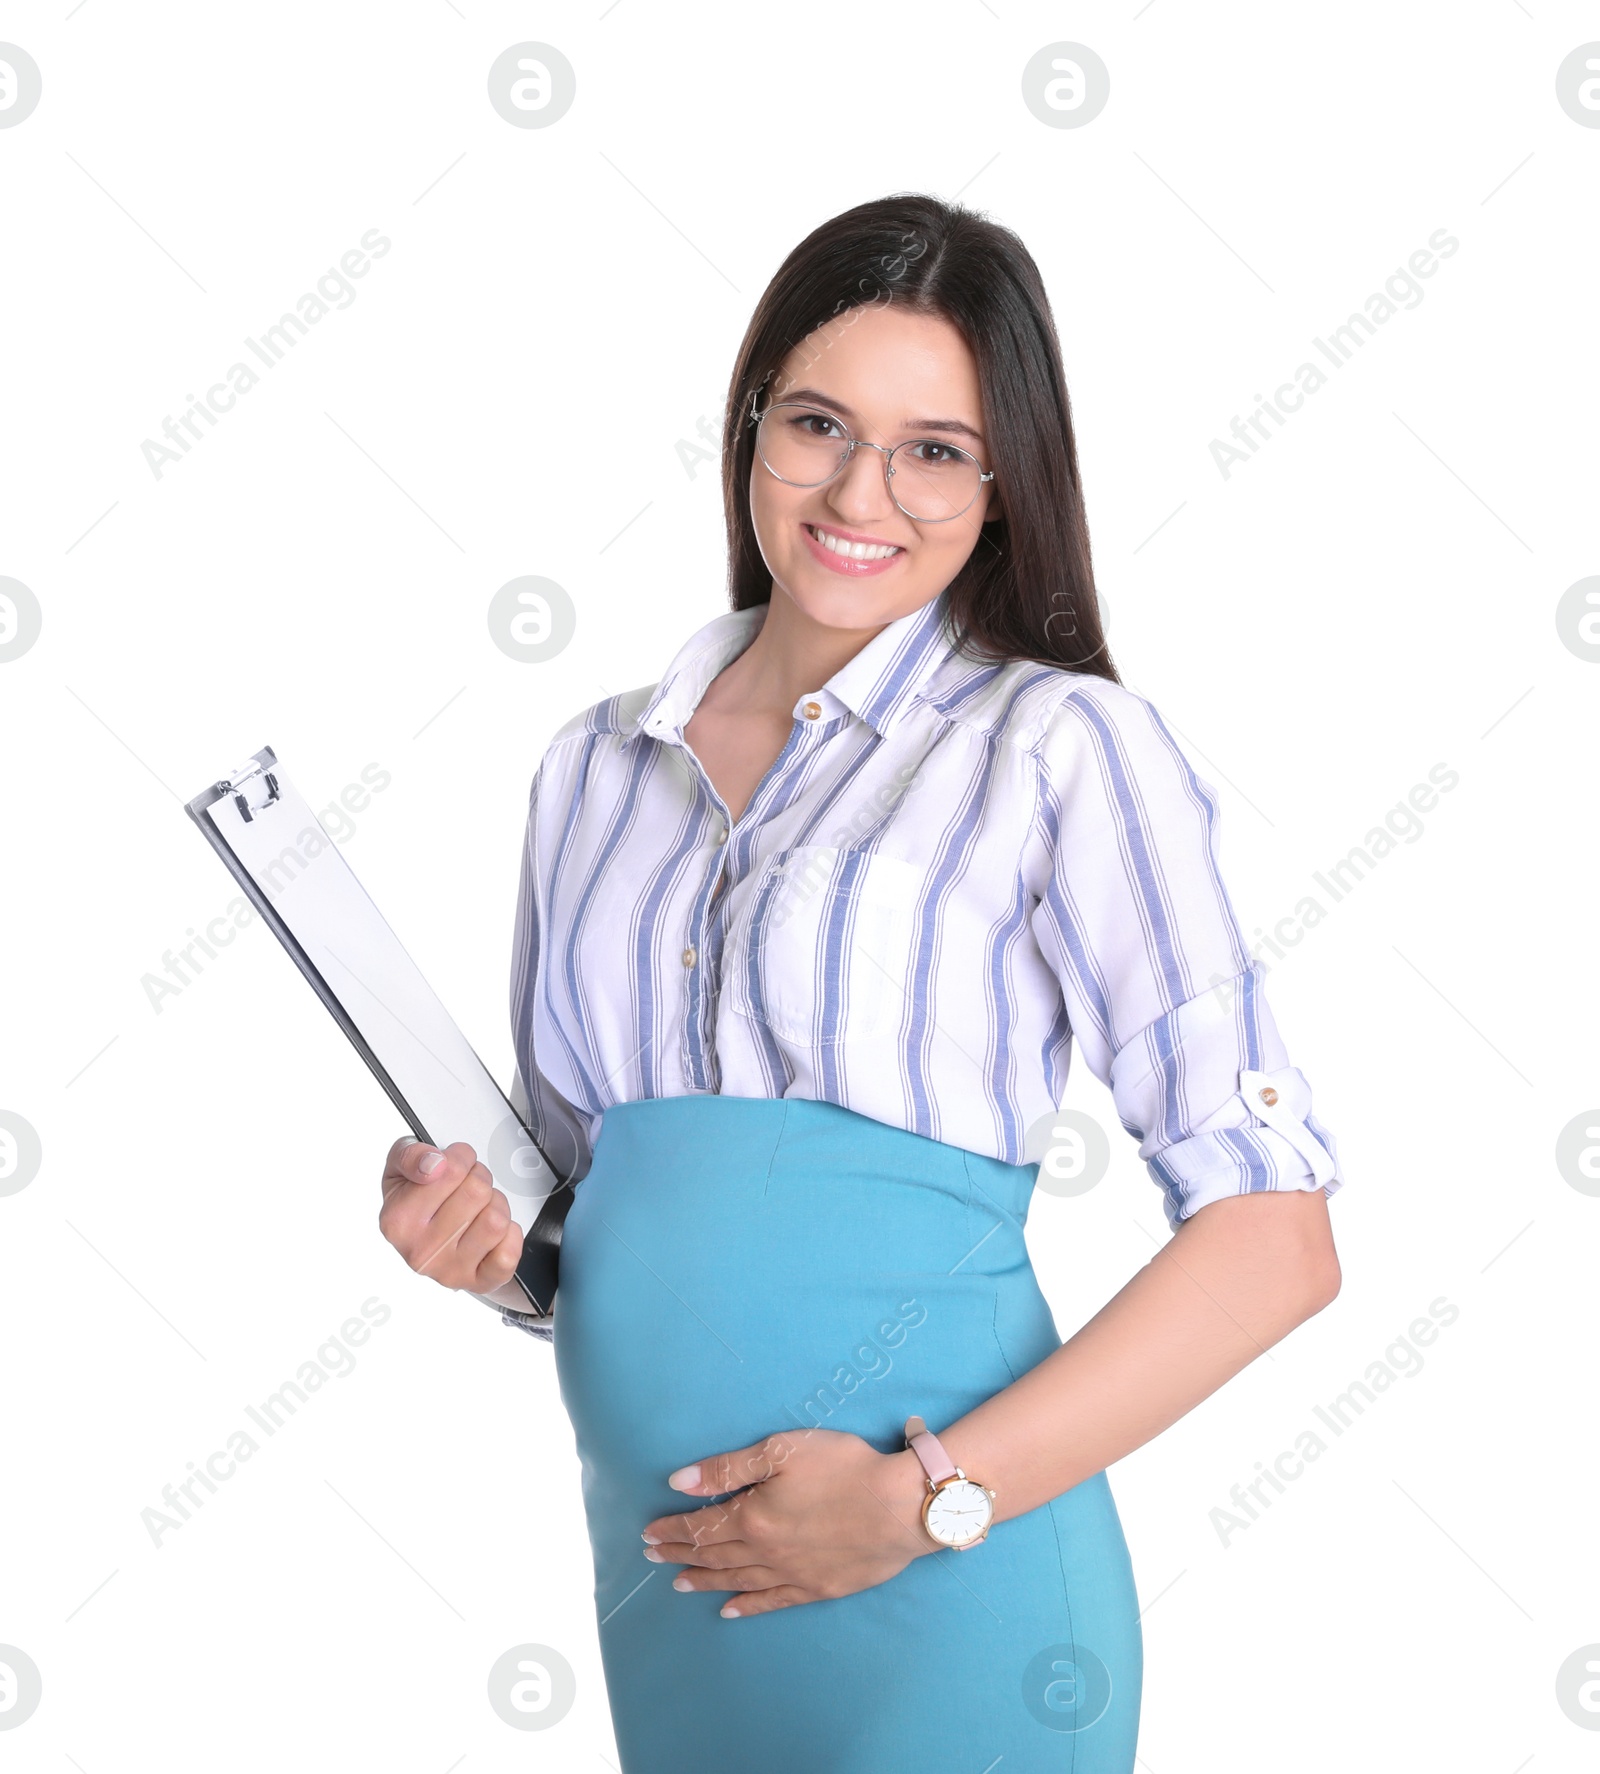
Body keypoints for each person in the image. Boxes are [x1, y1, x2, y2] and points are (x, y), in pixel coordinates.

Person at [376, 192, 1345, 1772]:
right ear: (751, 419)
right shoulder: (592, 772)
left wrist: (914, 1500)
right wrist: (484, 1248)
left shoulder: (1059, 750)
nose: (859, 491)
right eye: (819, 422)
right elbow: (586, 1227)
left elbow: (1276, 1239)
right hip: (679, 1599)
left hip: (953, 1591)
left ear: (1004, 482)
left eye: (935, 448)